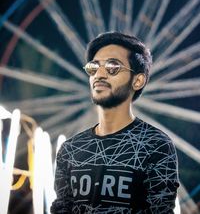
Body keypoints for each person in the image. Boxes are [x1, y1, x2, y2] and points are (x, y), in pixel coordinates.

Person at [50, 31, 179, 214]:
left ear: (138, 80)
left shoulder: (157, 145)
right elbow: (62, 208)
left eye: (113, 67)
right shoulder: (70, 149)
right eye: (93, 67)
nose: (99, 74)